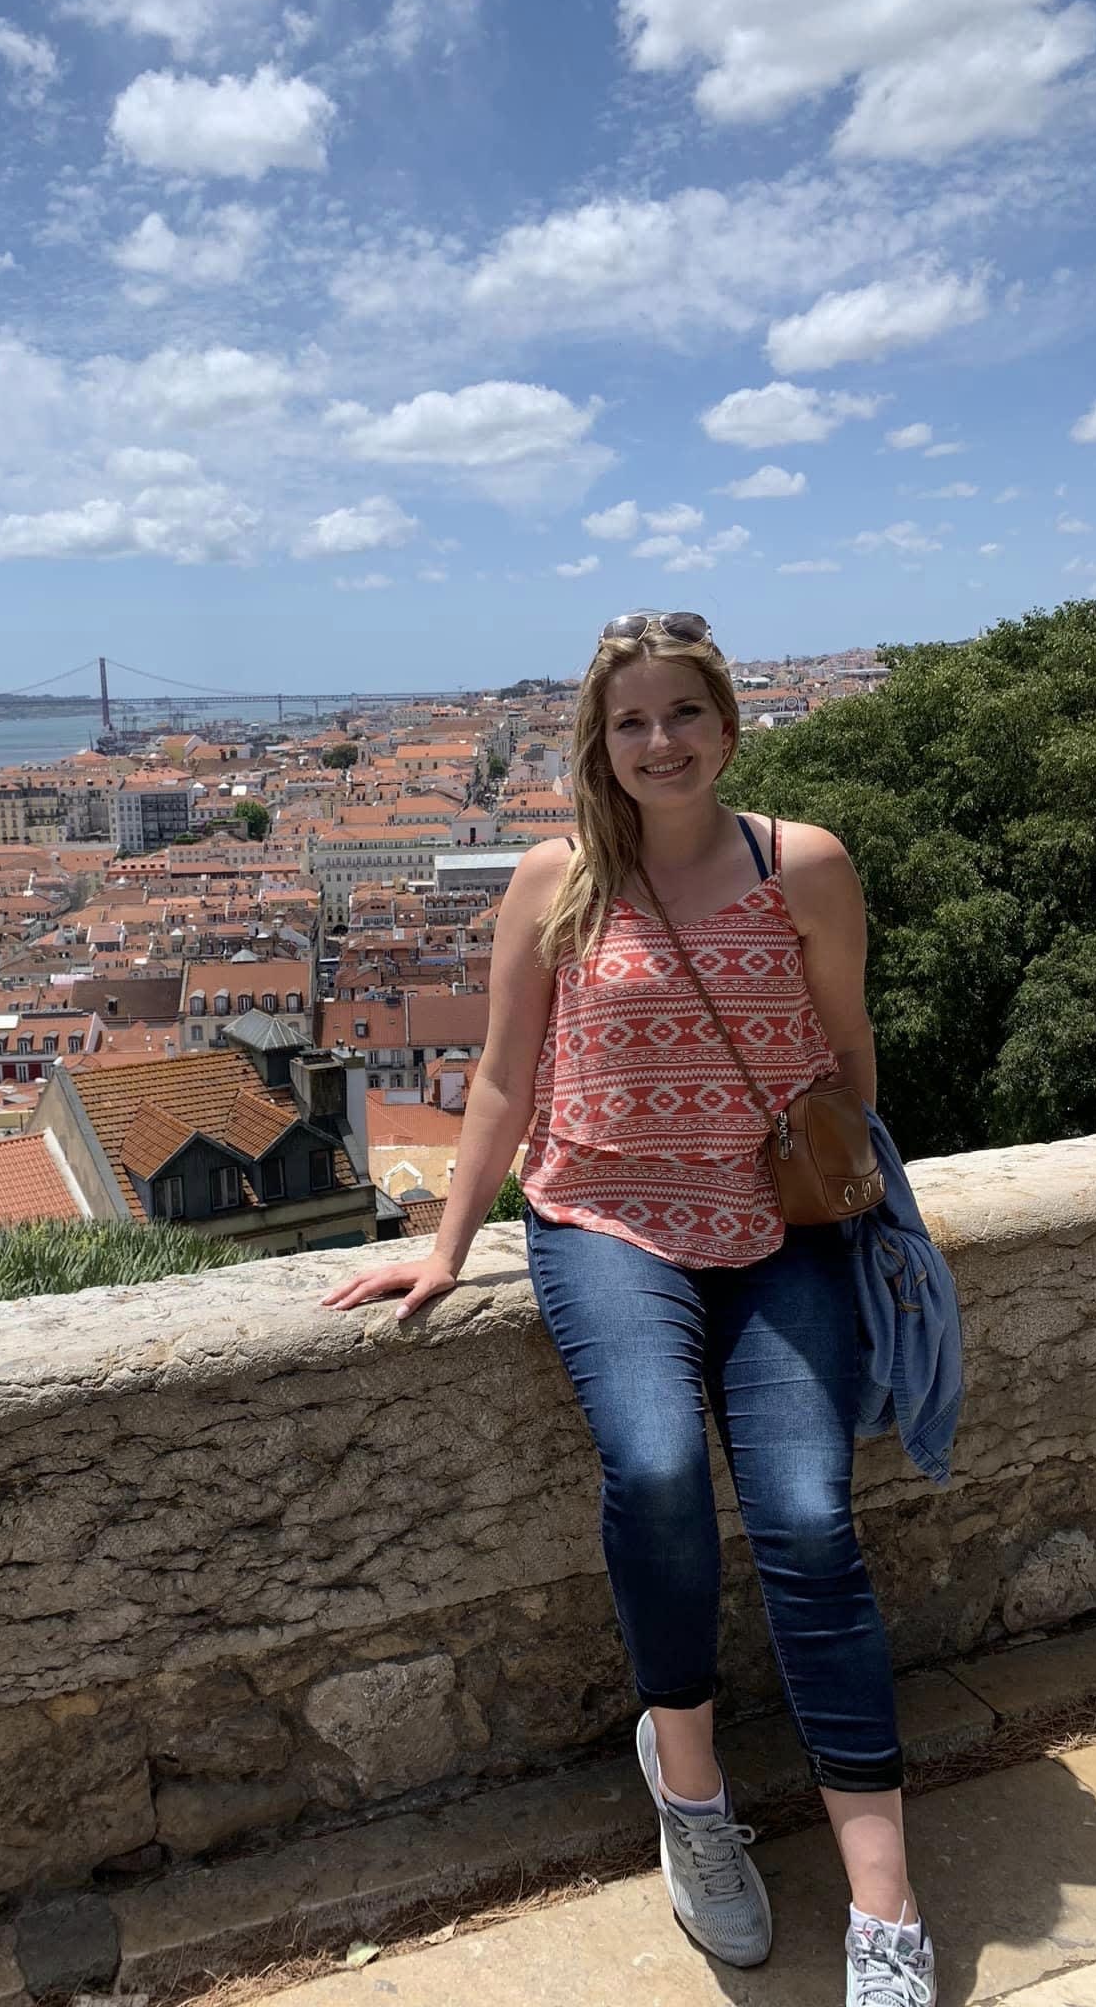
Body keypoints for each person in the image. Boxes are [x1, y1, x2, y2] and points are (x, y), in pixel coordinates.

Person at [323, 610, 936, 2007]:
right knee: (657, 1466)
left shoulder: (806, 866)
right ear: (598, 742)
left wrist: (849, 1194)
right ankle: (694, 1785)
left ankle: (885, 1909)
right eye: (630, 720)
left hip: (781, 1233)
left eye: (684, 715)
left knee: (809, 1518)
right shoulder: (555, 880)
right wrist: (446, 1244)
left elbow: (849, 1048)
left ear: (728, 725)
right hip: (608, 1225)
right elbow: (500, 1079)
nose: (660, 743)